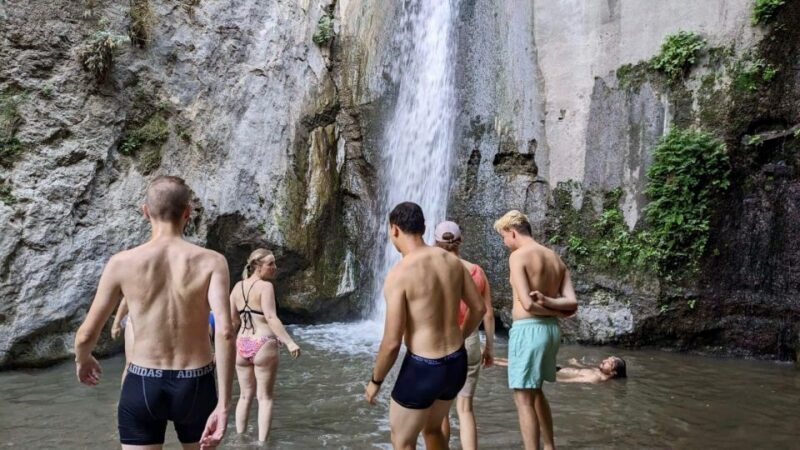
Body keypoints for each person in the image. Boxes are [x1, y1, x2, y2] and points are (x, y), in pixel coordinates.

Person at [73, 175, 235, 450]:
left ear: (145, 211)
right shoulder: (212, 262)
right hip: (195, 382)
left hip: (143, 380)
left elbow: (87, 332)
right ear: (187, 212)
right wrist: (223, 405)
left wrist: (83, 358)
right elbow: (226, 331)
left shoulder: (121, 263)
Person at [365, 202, 486, 450]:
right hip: (455, 362)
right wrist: (460, 337)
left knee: (403, 441)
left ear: (394, 229)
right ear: (424, 228)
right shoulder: (452, 262)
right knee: (432, 429)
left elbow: (391, 343)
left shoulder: (399, 274)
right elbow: (479, 309)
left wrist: (375, 381)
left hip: (424, 368)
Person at [494, 210, 578, 450]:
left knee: (522, 398)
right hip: (550, 331)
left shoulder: (518, 256)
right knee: (536, 391)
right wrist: (554, 307)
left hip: (528, 330)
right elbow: (571, 304)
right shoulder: (555, 258)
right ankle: (549, 446)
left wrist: (545, 305)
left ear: (512, 232)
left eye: (504, 237)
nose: (504, 243)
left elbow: (528, 304)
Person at [433, 221, 495, 450]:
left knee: (441, 412)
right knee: (466, 409)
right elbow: (487, 314)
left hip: (442, 343)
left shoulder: (433, 271)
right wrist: (489, 347)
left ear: (436, 242)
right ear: (461, 241)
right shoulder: (476, 271)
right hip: (469, 342)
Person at [230, 248, 301, 442]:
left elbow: (233, 321)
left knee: (244, 396)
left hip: (241, 343)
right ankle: (262, 444)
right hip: (263, 344)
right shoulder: (265, 287)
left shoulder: (237, 287)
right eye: (271, 264)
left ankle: (239, 440)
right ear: (257, 267)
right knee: (265, 398)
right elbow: (270, 317)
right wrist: (289, 342)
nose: (275, 267)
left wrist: (222, 349)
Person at [110, 298, 134, 384]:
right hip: (136, 320)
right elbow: (126, 299)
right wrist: (116, 324)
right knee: (130, 364)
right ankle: (125, 393)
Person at [555, 357, 627, 383]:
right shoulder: (600, 371)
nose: (605, 360)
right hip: (560, 370)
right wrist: (576, 364)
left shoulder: (596, 377)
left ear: (613, 372)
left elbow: (573, 380)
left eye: (609, 363)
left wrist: (554, 379)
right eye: (607, 358)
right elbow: (587, 368)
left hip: (556, 373)